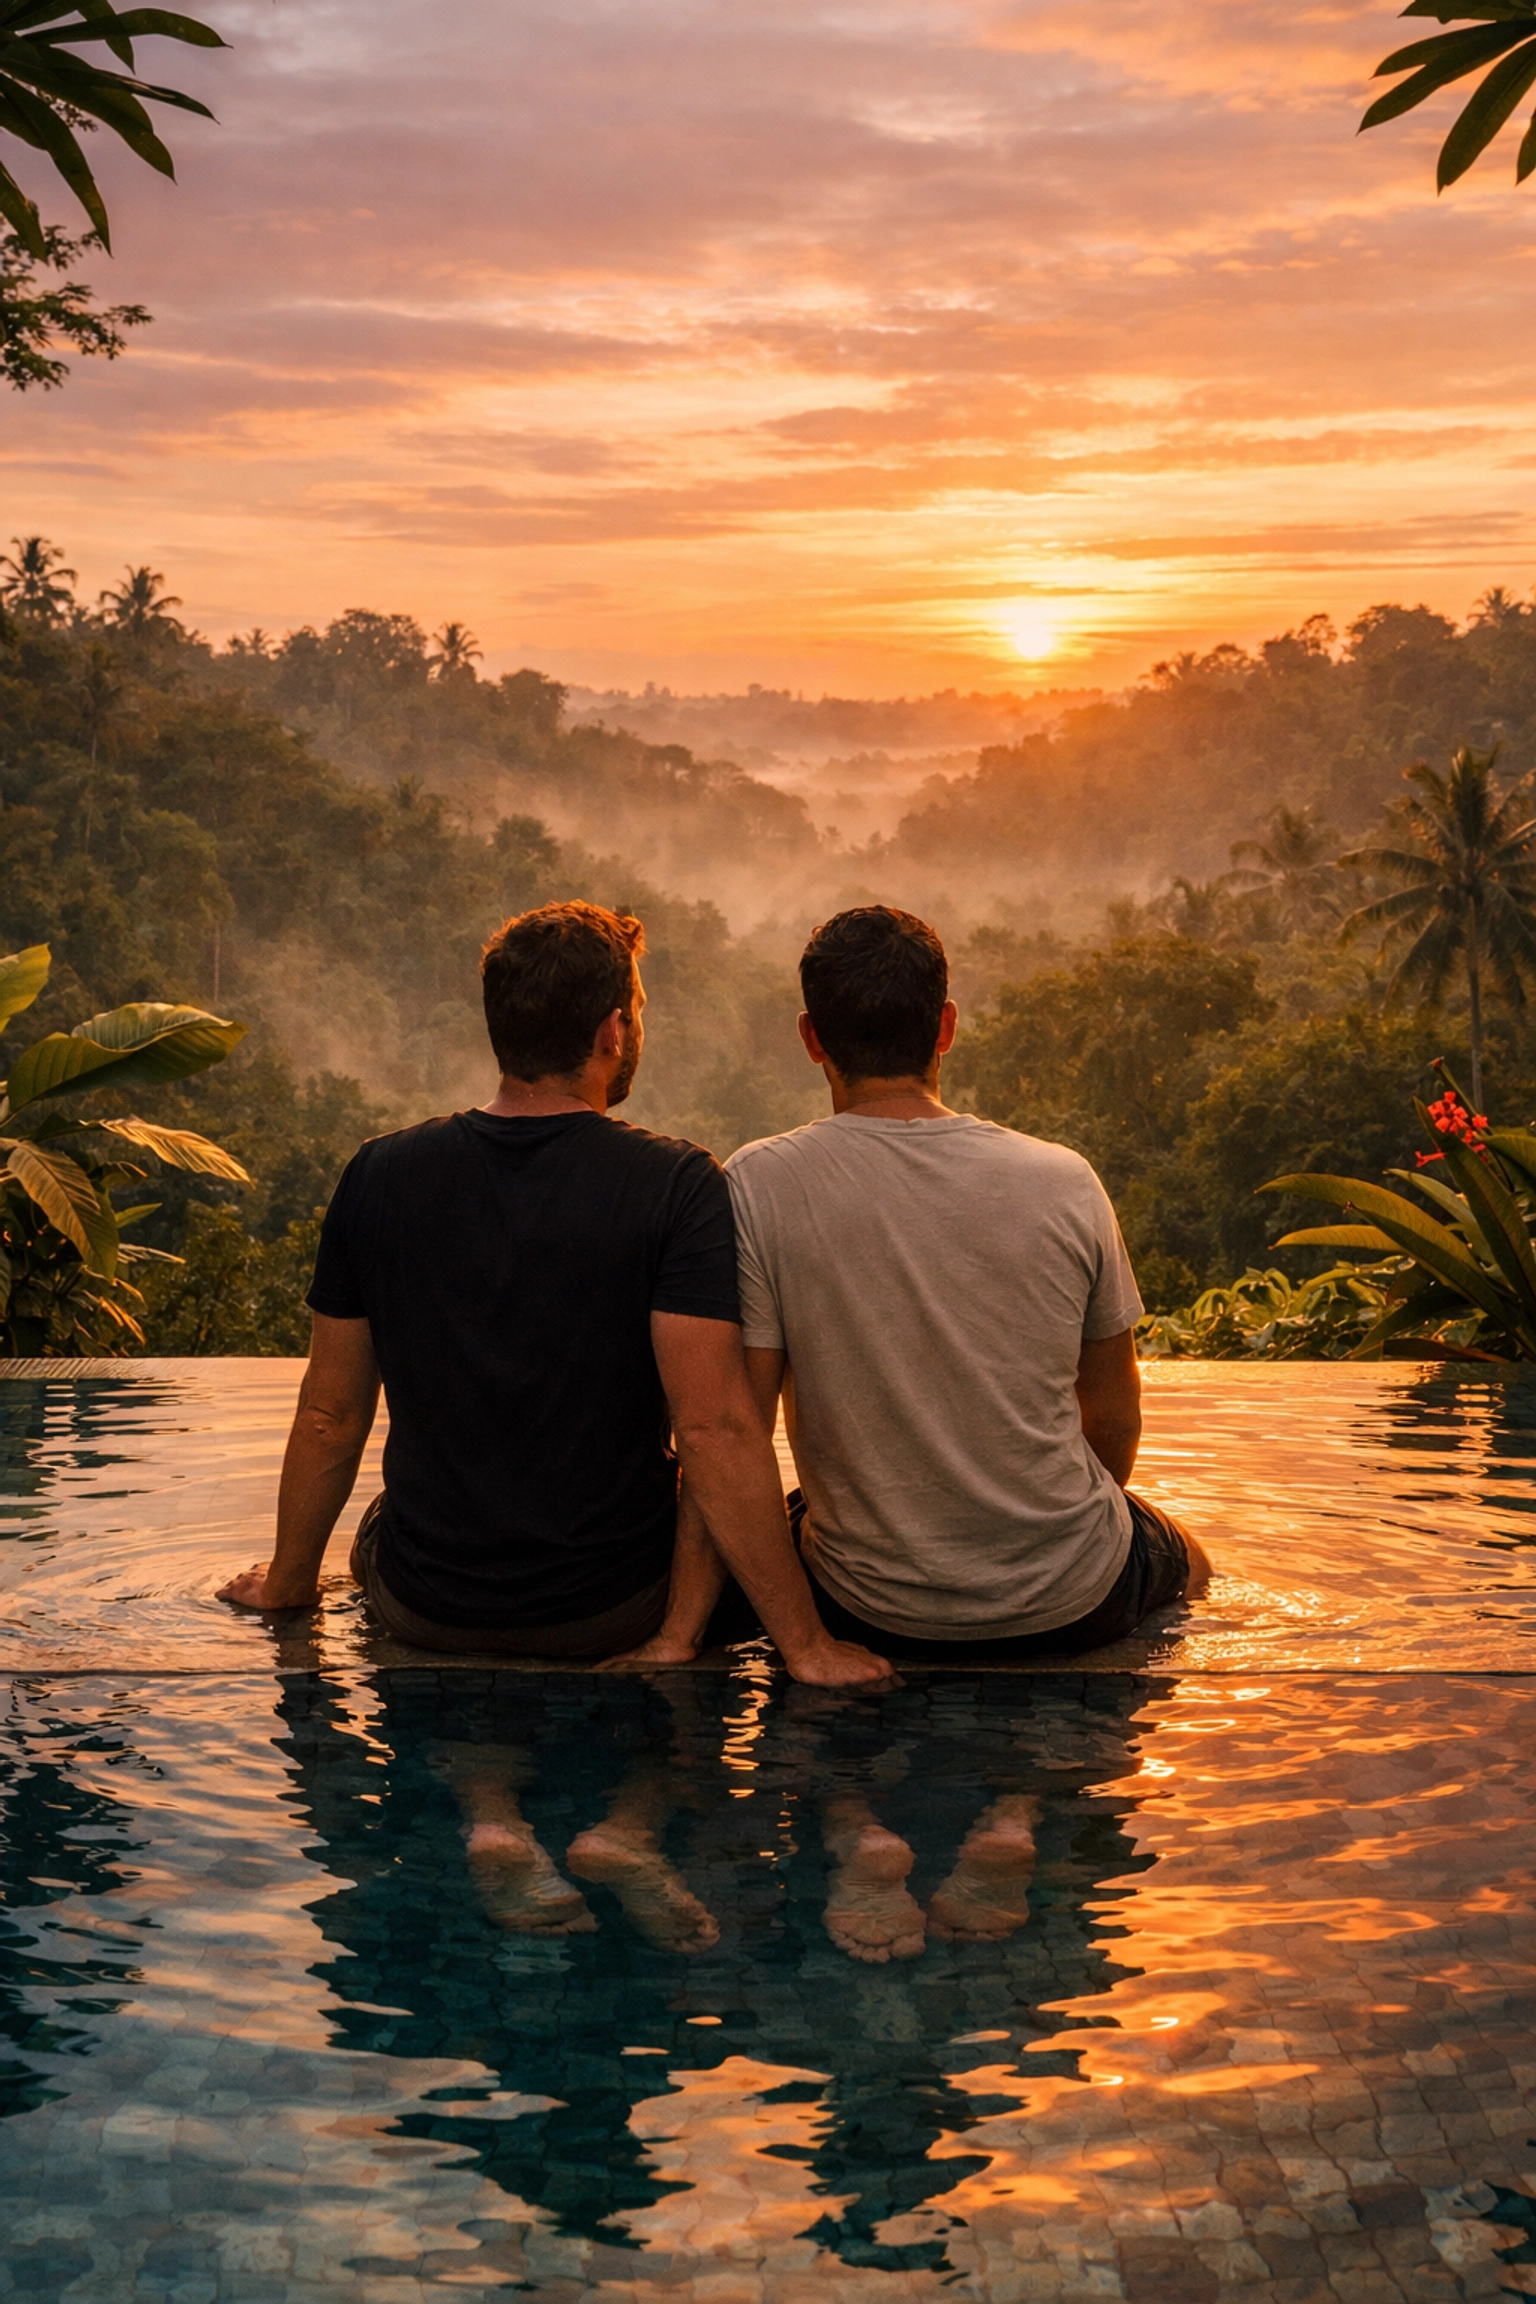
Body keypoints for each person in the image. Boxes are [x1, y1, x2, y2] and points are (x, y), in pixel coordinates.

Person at [216, 899, 889, 1688]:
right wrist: (806, 1645)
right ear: (612, 1032)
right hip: (611, 1607)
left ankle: (482, 1783)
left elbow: (331, 1414)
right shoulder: (675, 1186)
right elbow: (713, 1429)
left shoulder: (379, 1174)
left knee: (379, 1525)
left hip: (427, 1601)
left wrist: (291, 1585)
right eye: (636, 1012)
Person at [622, 903, 1210, 1666]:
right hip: (1072, 1602)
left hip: (868, 1609)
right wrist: (1036, 1545)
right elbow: (1115, 1415)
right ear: (946, 1027)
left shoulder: (761, 1182)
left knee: (777, 1515)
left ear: (811, 1039)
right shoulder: (1066, 1181)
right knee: (1190, 1558)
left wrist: (680, 1634)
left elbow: (733, 1431)